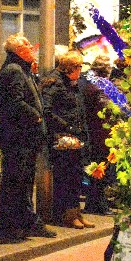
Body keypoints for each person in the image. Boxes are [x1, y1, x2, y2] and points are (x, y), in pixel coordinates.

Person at [0, 34, 55, 240]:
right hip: (19, 137)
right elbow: (15, 102)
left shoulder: (22, 69)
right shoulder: (14, 70)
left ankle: (21, 222)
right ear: (19, 50)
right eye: (28, 45)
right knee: (17, 181)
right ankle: (15, 224)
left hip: (23, 138)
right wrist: (36, 117)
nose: (32, 47)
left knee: (21, 181)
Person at [40, 50, 90, 228]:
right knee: (65, 177)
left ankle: (75, 211)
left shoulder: (71, 83)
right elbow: (47, 110)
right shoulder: (55, 83)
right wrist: (66, 127)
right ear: (71, 67)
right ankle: (66, 214)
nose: (81, 71)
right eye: (80, 67)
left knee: (76, 176)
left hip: (74, 136)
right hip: (62, 138)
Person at [80, 55, 124, 216]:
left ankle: (94, 203)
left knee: (95, 170)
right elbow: (108, 108)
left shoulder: (86, 81)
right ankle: (98, 204)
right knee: (101, 170)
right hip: (101, 134)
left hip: (91, 132)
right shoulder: (99, 86)